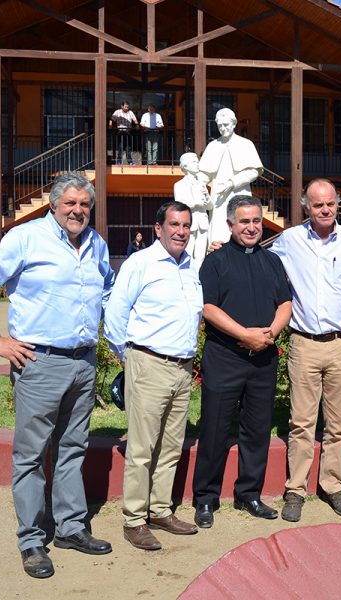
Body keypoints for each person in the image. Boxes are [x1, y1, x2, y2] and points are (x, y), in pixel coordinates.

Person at [0, 172, 115, 579]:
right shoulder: (26, 239)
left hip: (83, 362)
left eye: (84, 204)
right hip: (39, 363)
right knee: (30, 456)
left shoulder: (96, 243)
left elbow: (108, 292)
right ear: (54, 204)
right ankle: (31, 540)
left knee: (72, 448)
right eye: (70, 204)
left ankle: (70, 528)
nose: (78, 210)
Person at [103, 200, 203, 551]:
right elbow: (115, 314)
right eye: (174, 225)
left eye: (186, 225)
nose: (180, 231)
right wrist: (128, 358)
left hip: (182, 368)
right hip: (148, 364)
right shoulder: (141, 263)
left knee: (172, 446)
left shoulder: (190, 266)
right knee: (142, 447)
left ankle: (161, 509)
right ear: (158, 229)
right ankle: (134, 518)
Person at [271, 178, 341, 522]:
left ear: (337, 205)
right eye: (317, 205)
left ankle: (333, 486)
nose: (325, 210)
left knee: (338, 423)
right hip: (304, 344)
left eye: (330, 204)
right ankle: (295, 489)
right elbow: (262, 263)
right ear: (306, 207)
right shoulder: (291, 240)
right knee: (300, 422)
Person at [192, 195, 292, 528]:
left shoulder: (272, 261)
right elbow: (208, 308)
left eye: (256, 221)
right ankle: (205, 498)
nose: (251, 227)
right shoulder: (216, 262)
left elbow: (285, 304)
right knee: (214, 429)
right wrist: (244, 334)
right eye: (244, 221)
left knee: (257, 430)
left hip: (263, 358)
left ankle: (249, 493)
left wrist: (269, 334)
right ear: (231, 224)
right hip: (225, 357)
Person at [199, 108, 263, 245]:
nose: (223, 128)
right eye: (220, 125)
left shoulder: (245, 144)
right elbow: (204, 173)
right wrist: (200, 183)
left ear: (234, 124)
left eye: (226, 125)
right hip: (218, 196)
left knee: (240, 222)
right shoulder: (213, 146)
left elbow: (254, 171)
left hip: (239, 192)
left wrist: (233, 182)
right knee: (218, 227)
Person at [174, 152, 213, 268]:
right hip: (189, 223)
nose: (197, 164)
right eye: (194, 162)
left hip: (202, 222)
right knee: (188, 252)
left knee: (201, 255)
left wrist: (206, 199)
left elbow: (210, 206)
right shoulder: (179, 185)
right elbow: (180, 205)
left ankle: (198, 277)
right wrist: (197, 203)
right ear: (185, 166)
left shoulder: (201, 184)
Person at [109, 101, 138, 166]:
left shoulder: (130, 112)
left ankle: (130, 162)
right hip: (121, 132)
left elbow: (134, 119)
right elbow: (112, 119)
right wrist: (110, 125)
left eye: (127, 107)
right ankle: (119, 161)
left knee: (128, 148)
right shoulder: (117, 112)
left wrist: (137, 125)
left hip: (128, 132)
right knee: (120, 147)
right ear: (122, 106)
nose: (127, 108)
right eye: (125, 107)